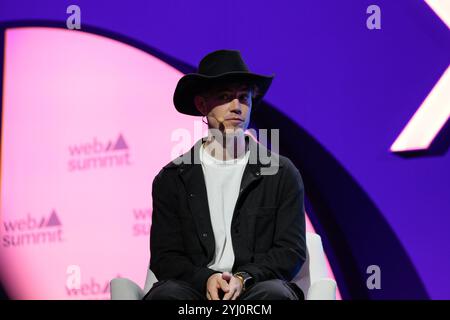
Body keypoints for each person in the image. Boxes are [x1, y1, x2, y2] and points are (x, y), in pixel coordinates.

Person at [144, 49, 306, 300]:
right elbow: (166, 257)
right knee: (166, 296)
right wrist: (207, 279)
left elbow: (290, 251)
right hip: (195, 292)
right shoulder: (171, 178)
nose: (236, 107)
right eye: (224, 97)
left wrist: (244, 278)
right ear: (201, 105)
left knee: (275, 295)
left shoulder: (282, 173)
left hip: (256, 288)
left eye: (243, 98)